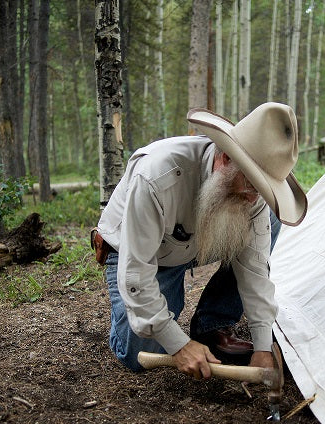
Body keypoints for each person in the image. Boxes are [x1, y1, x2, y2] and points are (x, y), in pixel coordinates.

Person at [93, 102, 307, 380]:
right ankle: (139, 318)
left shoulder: (251, 196)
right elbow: (136, 270)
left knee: (270, 218)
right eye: (253, 183)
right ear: (225, 158)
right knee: (140, 353)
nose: (254, 197)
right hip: (139, 253)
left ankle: (212, 325)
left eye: (264, 188)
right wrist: (178, 344)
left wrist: (263, 346)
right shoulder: (156, 176)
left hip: (192, 245)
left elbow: (255, 269)